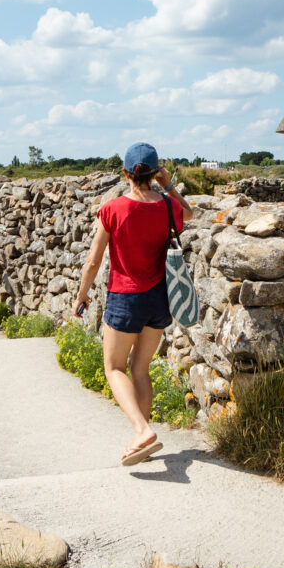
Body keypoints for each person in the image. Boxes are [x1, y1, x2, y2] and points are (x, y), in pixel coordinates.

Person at [73, 142, 193, 466]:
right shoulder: (168, 206)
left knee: (113, 367)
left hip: (125, 297)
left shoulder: (113, 209)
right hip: (158, 298)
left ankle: (141, 429)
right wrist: (168, 185)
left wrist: (82, 294)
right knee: (140, 368)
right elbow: (190, 213)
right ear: (155, 172)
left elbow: (93, 261)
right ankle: (144, 440)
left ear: (125, 173)